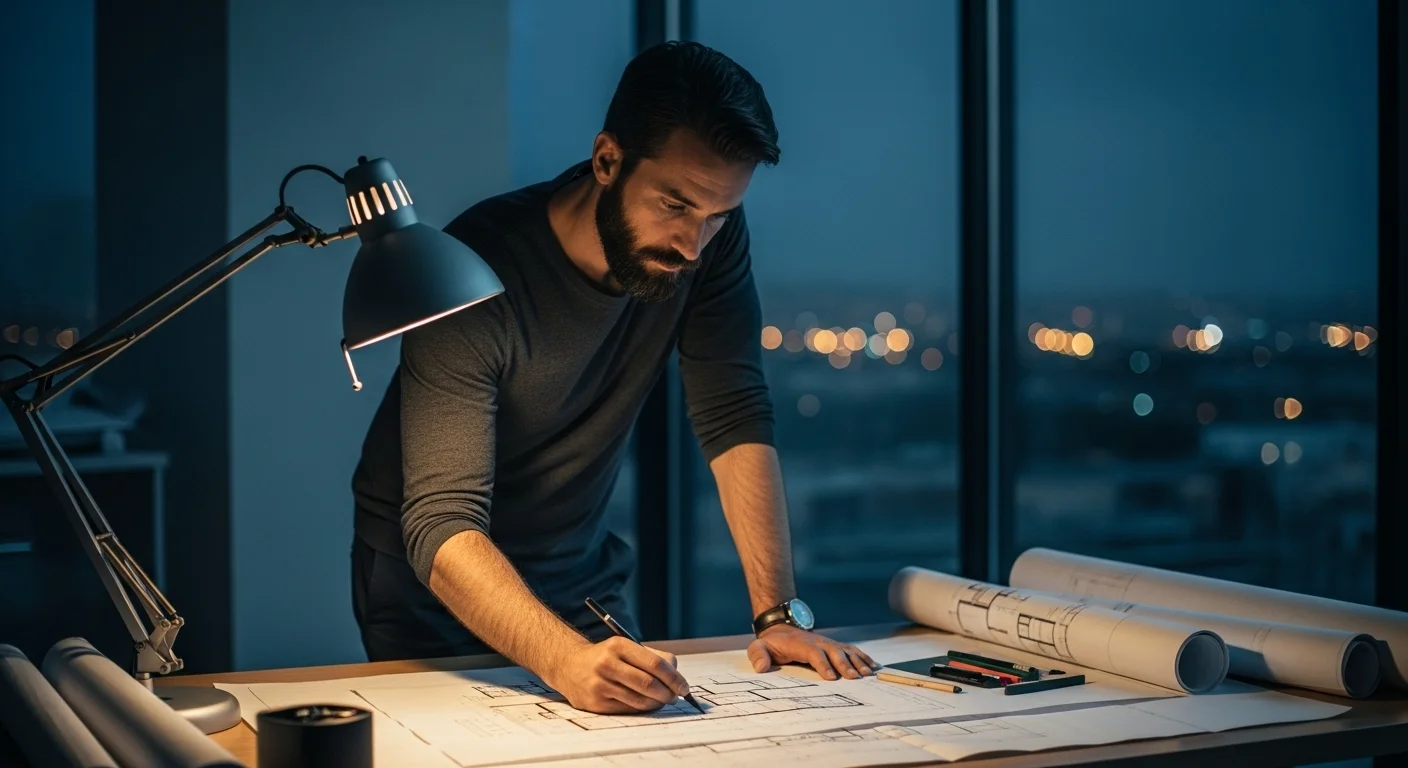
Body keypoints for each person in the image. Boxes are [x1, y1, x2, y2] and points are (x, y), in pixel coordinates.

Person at [349, 40, 877, 715]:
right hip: (435, 590)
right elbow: (440, 520)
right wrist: (563, 659)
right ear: (606, 160)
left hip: (580, 579)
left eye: (720, 214)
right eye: (676, 205)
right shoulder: (474, 270)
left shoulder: (707, 240)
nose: (693, 245)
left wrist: (776, 614)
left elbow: (733, 409)